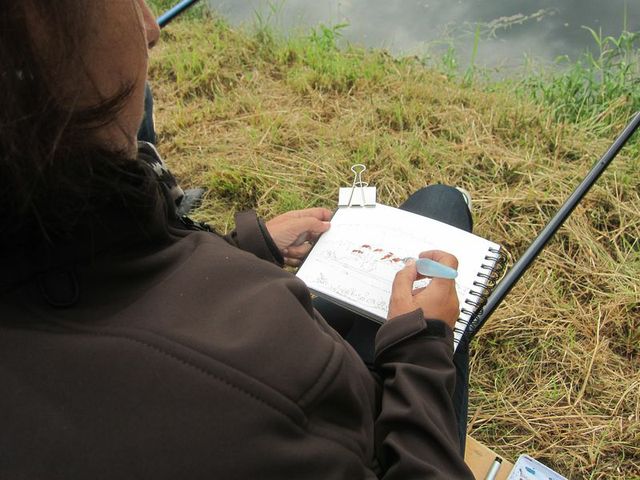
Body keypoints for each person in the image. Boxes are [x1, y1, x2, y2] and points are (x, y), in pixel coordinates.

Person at [0, 1, 474, 478]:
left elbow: (120, 283)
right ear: (33, 63)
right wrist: (423, 351)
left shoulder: (43, 232)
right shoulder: (254, 392)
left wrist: (250, 246)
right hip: (373, 422)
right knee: (442, 205)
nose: (150, 26)